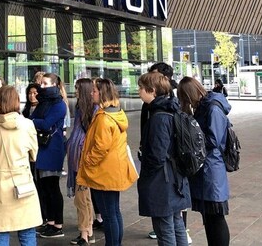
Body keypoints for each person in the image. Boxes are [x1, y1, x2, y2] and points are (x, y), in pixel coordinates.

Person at [78, 78, 138, 246]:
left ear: (102, 93)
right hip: (113, 170)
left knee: (109, 214)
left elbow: (100, 148)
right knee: (114, 212)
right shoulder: (116, 112)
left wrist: (87, 162)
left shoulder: (104, 118)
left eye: (95, 91)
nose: (92, 93)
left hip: (103, 172)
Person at [0, 85, 42, 246]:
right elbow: (34, 155)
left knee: (0, 232)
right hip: (23, 186)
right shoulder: (28, 124)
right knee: (27, 232)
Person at [177, 77, 232, 246]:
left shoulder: (212, 108)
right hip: (207, 169)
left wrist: (193, 141)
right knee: (209, 218)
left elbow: (213, 140)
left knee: (215, 217)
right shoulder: (204, 107)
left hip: (212, 170)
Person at [138, 72, 190, 246]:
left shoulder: (158, 117)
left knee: (164, 228)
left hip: (162, 180)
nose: (139, 91)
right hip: (175, 177)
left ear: (152, 91)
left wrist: (146, 173)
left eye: (141, 88)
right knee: (176, 223)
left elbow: (157, 155)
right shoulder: (172, 109)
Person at [31, 72, 68, 239]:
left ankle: (57, 224)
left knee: (52, 187)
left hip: (52, 149)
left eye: (45, 83)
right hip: (41, 148)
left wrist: (33, 122)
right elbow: (33, 118)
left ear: (54, 85)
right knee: (44, 187)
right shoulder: (44, 102)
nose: (42, 86)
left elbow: (45, 123)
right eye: (41, 83)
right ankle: (50, 221)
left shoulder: (59, 104)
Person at [66, 78, 96, 246]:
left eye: (77, 89)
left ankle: (84, 233)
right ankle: (88, 229)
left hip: (82, 159)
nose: (75, 91)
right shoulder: (80, 108)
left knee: (81, 197)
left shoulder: (92, 110)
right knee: (84, 196)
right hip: (77, 157)